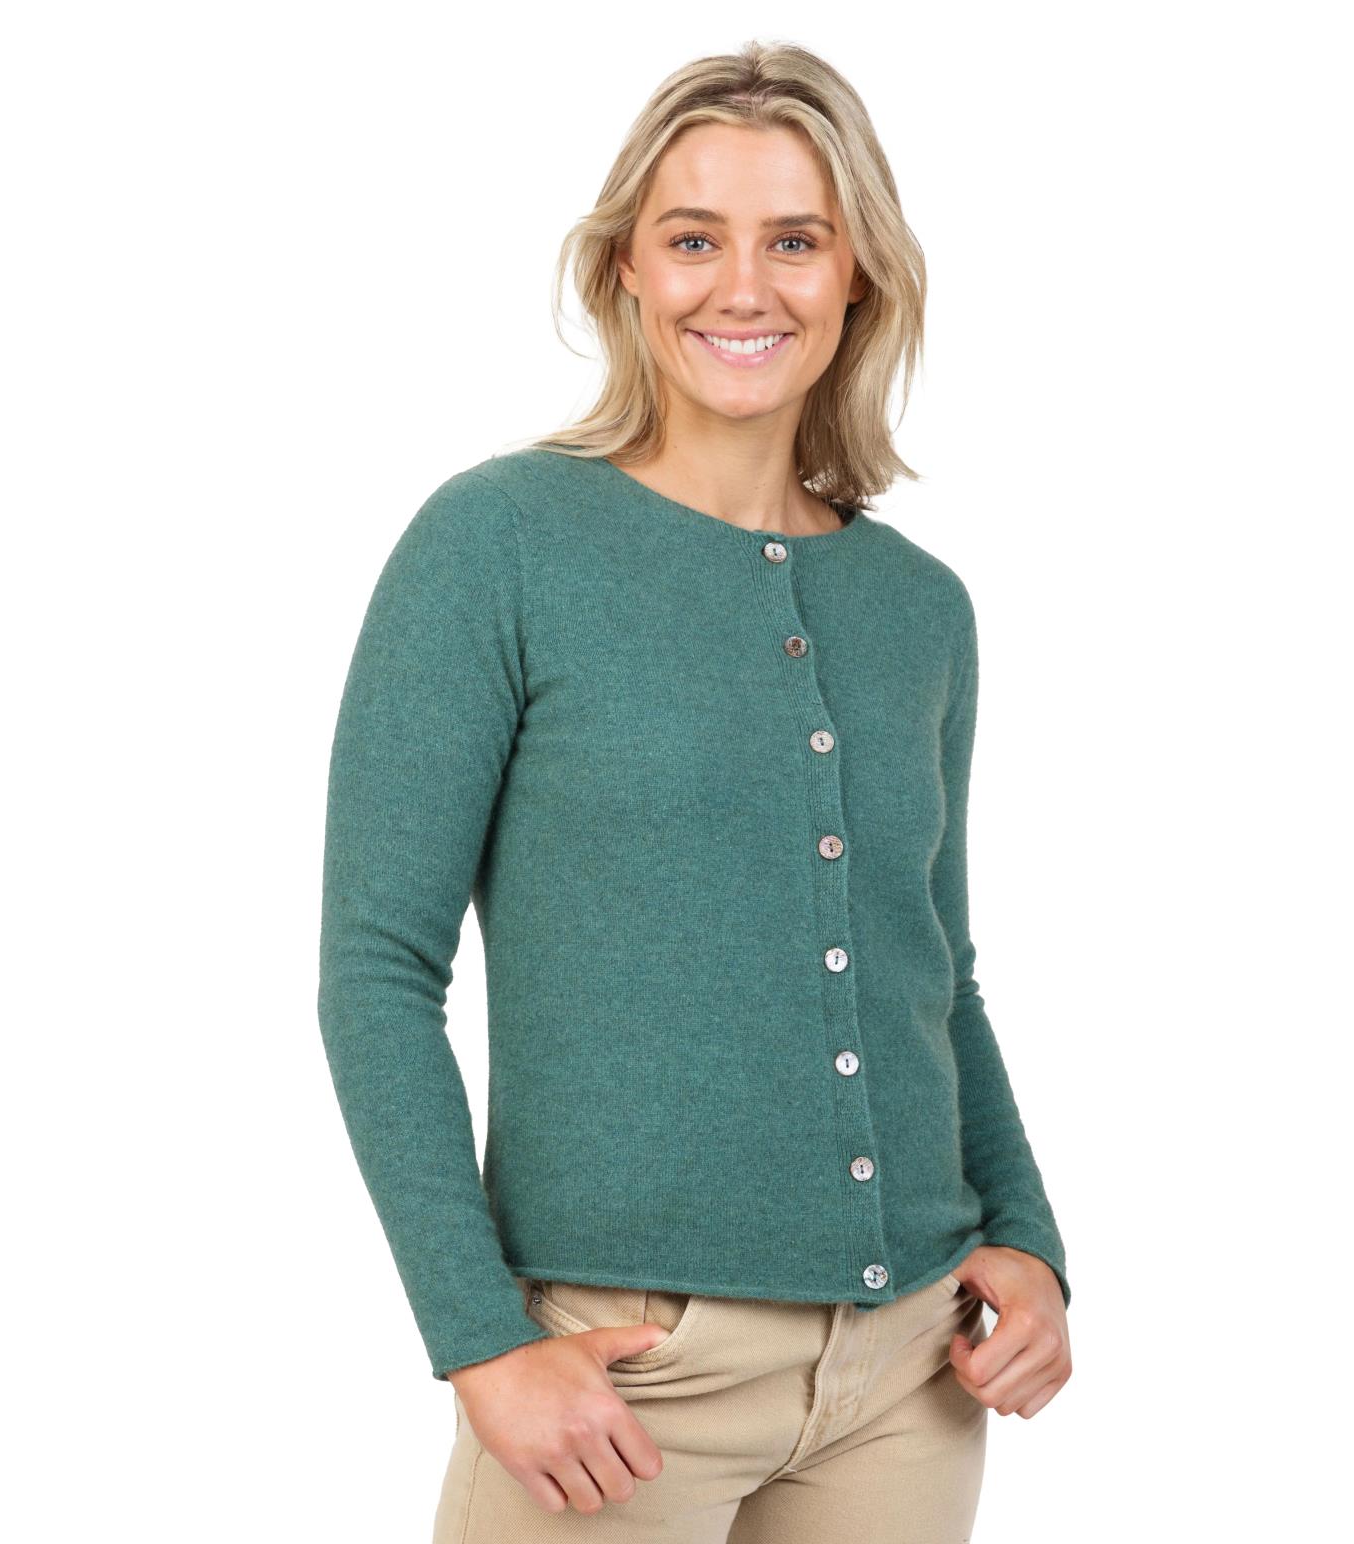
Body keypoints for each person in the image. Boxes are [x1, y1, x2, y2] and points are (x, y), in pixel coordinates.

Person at [317, 39, 1072, 1543]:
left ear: (857, 275)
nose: (744, 286)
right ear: (624, 271)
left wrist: (1032, 1239)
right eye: (692, 238)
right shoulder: (500, 543)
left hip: (911, 1375)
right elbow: (377, 972)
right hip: (620, 1377)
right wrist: (479, 1340)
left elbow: (939, 974)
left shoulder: (923, 608)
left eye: (795, 239)